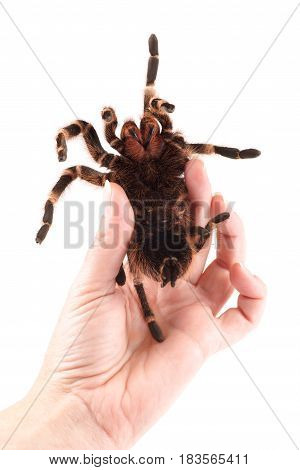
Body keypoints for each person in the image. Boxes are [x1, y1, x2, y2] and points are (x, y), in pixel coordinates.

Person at [0, 160, 266, 449]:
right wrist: (83, 415)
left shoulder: (152, 166)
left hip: (163, 238)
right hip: (163, 239)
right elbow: (75, 171)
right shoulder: (122, 172)